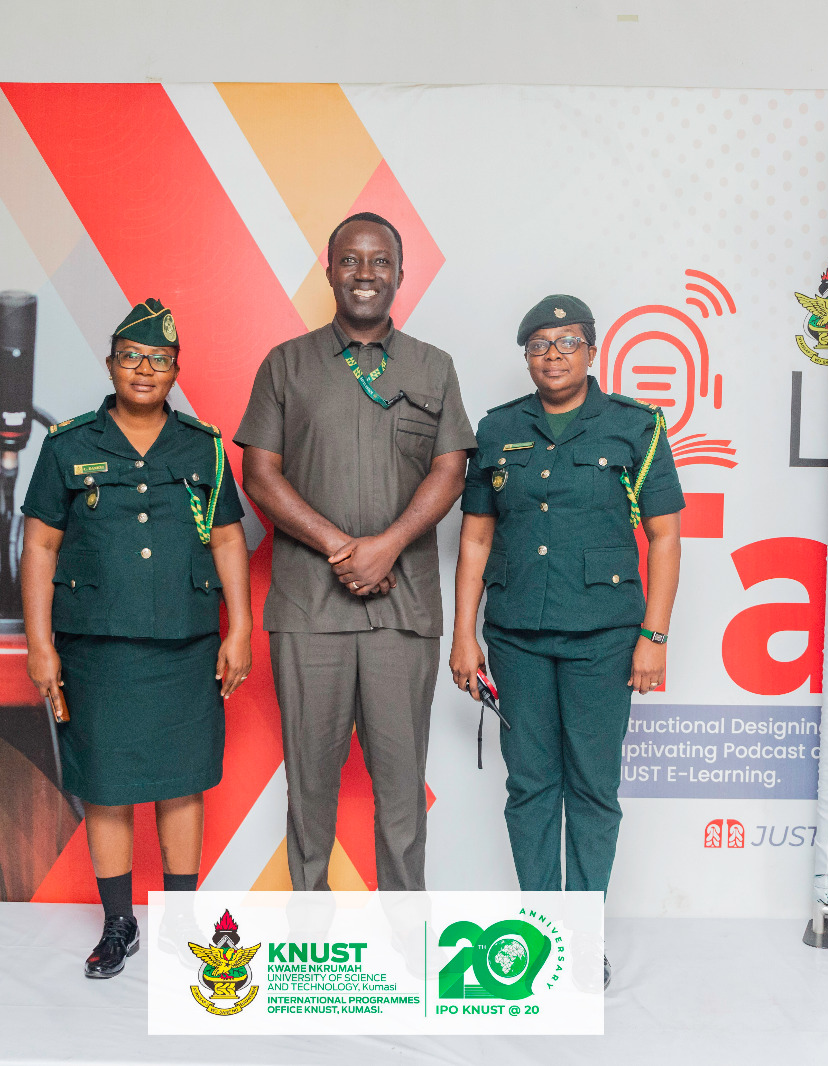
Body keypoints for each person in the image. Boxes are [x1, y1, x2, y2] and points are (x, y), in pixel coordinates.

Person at [236, 212, 476, 890]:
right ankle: (310, 933)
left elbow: (451, 469)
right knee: (309, 789)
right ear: (330, 271)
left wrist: (388, 547)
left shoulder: (433, 366)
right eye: (350, 260)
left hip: (404, 612)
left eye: (379, 261)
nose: (365, 273)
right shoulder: (287, 364)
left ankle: (402, 934)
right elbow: (259, 473)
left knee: (401, 792)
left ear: (400, 274)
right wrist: (343, 548)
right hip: (309, 611)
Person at [449, 295, 684, 986]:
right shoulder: (497, 429)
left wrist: (654, 635)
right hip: (517, 636)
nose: (553, 355)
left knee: (592, 787)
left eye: (568, 342)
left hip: (604, 639)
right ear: (526, 355)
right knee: (529, 787)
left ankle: (581, 938)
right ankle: (540, 934)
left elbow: (665, 537)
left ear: (592, 350)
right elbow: (476, 539)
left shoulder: (635, 427)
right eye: (540, 344)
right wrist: (463, 635)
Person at [20, 299, 253, 979]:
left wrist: (239, 627)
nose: (144, 370)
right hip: (97, 647)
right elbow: (39, 546)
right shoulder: (69, 444)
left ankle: (182, 923)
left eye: (159, 360)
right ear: (111, 365)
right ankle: (118, 924)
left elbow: (229, 540)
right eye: (131, 357)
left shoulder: (202, 446)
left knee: (182, 783)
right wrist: (40, 644)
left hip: (186, 642)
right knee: (109, 785)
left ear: (176, 371)